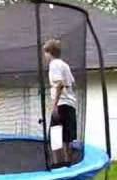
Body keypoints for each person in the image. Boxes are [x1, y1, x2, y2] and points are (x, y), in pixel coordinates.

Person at [43, 39, 77, 167]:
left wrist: (55, 105)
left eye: (45, 53)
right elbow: (72, 83)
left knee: (55, 137)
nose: (45, 56)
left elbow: (60, 84)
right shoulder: (65, 65)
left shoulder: (54, 64)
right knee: (67, 138)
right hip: (70, 104)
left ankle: (58, 166)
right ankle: (69, 165)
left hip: (61, 104)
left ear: (49, 52)